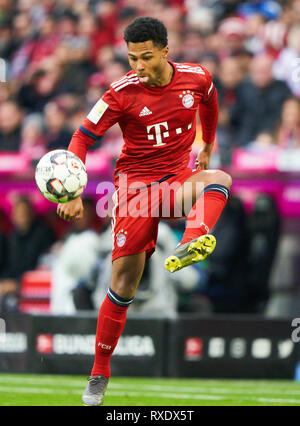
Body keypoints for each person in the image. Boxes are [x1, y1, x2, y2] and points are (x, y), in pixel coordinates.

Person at [56, 17, 232, 406]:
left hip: (175, 182)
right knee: (123, 285)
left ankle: (191, 242)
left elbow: (211, 100)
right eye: (132, 58)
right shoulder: (120, 93)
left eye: (146, 57)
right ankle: (99, 373)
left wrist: (207, 145)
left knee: (219, 177)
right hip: (135, 190)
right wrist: (72, 189)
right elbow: (82, 137)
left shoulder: (195, 77)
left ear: (165, 51)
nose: (138, 66)